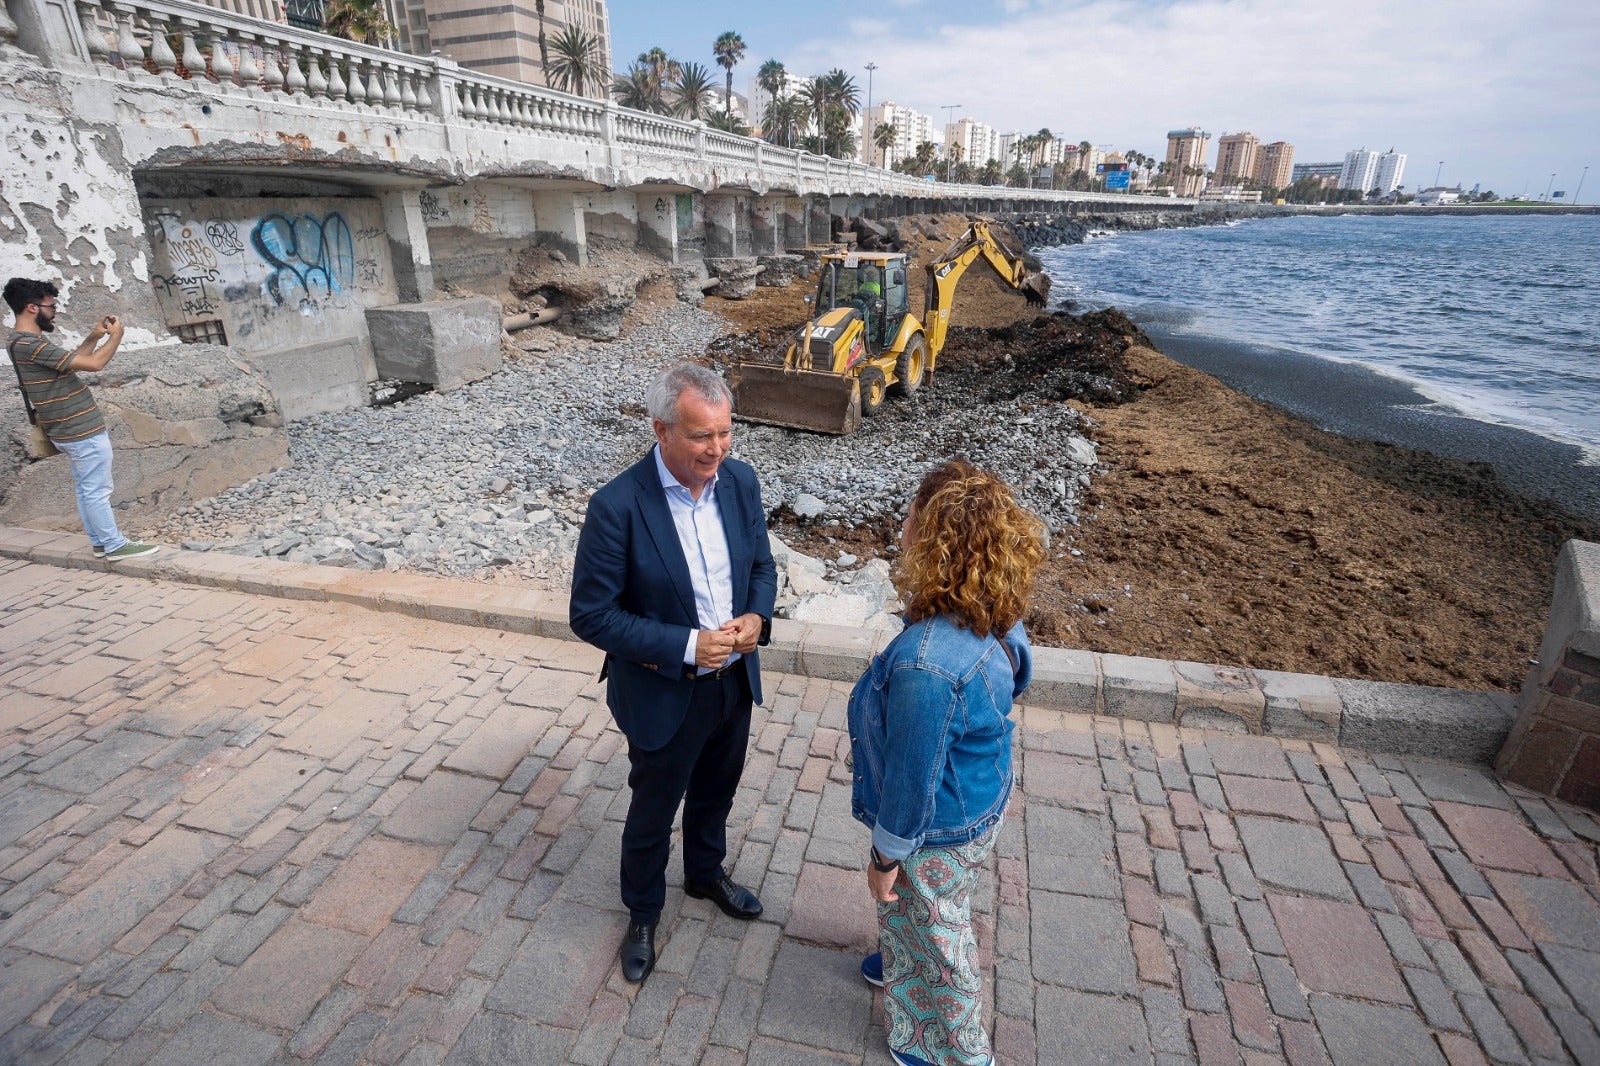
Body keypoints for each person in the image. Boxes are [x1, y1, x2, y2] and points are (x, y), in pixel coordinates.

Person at [569, 363, 777, 984]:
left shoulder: (740, 483)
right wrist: (687, 645)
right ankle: (642, 912)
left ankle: (705, 874)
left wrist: (757, 617)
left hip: (733, 683)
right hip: (663, 690)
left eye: (724, 432)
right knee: (653, 810)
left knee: (717, 788)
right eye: (699, 436)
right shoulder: (616, 507)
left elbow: (762, 568)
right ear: (660, 430)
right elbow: (592, 616)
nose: (716, 449)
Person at [847, 460, 1044, 1066]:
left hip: (936, 825)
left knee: (938, 927)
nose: (902, 523)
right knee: (933, 904)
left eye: (912, 516)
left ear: (934, 542)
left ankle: (955, 1050)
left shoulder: (925, 662)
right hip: (980, 797)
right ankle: (903, 953)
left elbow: (910, 782)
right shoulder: (990, 609)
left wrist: (885, 858)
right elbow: (1020, 674)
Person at [4, 278, 158, 561]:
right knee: (98, 489)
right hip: (79, 428)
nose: (55, 311)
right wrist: (116, 336)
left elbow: (66, 364)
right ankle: (114, 545)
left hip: (65, 428)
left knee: (87, 488)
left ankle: (100, 542)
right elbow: (94, 365)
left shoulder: (20, 342)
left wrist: (93, 336)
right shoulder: (31, 344)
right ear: (31, 308)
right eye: (51, 306)